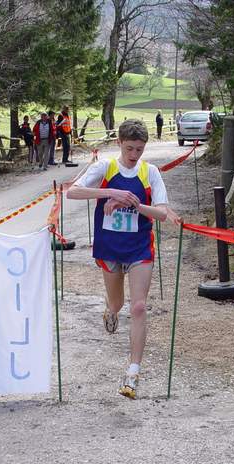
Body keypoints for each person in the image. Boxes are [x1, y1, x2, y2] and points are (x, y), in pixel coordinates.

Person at [66, 119, 180, 399]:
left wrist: (135, 204)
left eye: (139, 149)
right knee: (117, 303)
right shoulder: (105, 167)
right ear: (119, 143)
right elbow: (72, 192)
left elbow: (162, 213)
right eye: (129, 148)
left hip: (139, 249)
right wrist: (111, 192)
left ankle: (132, 372)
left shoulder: (150, 172)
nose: (134, 154)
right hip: (110, 248)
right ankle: (111, 309)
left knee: (139, 306)